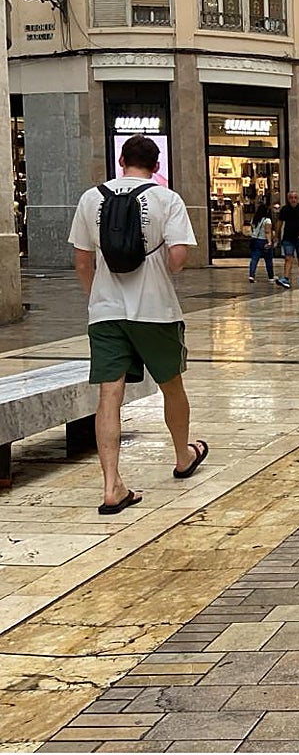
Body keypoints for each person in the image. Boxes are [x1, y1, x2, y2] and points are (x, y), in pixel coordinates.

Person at [68, 135, 208, 515]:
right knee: (172, 387)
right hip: (156, 311)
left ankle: (112, 485)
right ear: (156, 165)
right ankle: (183, 456)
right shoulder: (167, 199)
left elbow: (83, 261)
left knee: (109, 396)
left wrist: (96, 297)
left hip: (106, 313)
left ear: (121, 160)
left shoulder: (90, 198)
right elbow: (178, 258)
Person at [275, 191, 299, 289]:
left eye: (295, 197)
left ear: (298, 199)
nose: (293, 199)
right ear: (288, 199)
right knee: (288, 258)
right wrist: (276, 235)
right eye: (291, 197)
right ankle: (286, 278)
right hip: (288, 238)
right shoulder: (285, 209)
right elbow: (279, 222)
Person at [247, 202, 275, 284]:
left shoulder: (254, 219)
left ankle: (251, 275)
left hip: (255, 240)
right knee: (268, 260)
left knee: (254, 259)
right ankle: (271, 277)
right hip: (263, 241)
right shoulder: (267, 220)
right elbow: (267, 232)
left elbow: (252, 230)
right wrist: (269, 242)